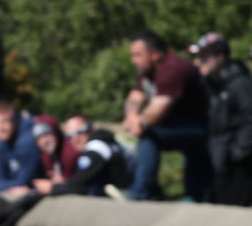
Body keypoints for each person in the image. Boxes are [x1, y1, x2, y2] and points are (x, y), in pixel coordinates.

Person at [123, 30, 212, 202]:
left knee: (149, 134)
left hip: (202, 127)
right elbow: (135, 97)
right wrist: (131, 117)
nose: (133, 60)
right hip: (179, 124)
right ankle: (151, 190)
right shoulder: (148, 70)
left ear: (155, 54)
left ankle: (141, 193)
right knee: (148, 132)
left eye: (137, 55)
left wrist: (138, 123)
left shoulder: (173, 68)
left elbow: (157, 112)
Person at [191, 33, 252, 207]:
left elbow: (250, 119)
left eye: (205, 57)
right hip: (220, 155)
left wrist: (239, 151)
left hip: (238, 160)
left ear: (221, 57)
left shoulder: (240, 83)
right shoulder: (212, 82)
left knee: (235, 207)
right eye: (199, 57)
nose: (199, 61)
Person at [55, 116, 134, 197]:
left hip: (129, 196)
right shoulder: (106, 141)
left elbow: (77, 186)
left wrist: (50, 188)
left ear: (90, 128)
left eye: (80, 132)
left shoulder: (95, 149)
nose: (75, 139)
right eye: (69, 136)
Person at [0, 102, 42, 192]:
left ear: (15, 120)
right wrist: (7, 187)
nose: (0, 128)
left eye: (4, 121)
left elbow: (24, 182)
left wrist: (2, 186)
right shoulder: (2, 143)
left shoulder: (27, 142)